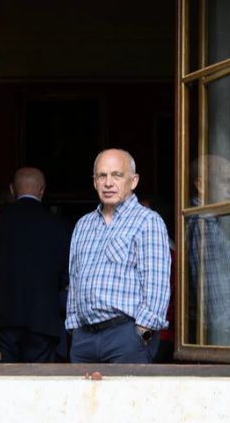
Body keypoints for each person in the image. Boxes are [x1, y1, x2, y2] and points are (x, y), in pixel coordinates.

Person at [66, 148, 171, 363]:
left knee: (127, 398)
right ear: (94, 182)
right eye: (102, 175)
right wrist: (75, 329)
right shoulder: (83, 225)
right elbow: (74, 281)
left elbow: (156, 284)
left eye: (117, 175)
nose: (108, 183)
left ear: (133, 181)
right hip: (84, 339)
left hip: (126, 337)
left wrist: (143, 335)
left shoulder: (148, 221)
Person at [0, 167, 70, 362]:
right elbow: (67, 275)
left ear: (12, 190)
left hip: (2, 319)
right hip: (43, 321)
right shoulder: (59, 225)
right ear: (42, 191)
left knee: (3, 384)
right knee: (40, 384)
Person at [185, 154, 230, 346]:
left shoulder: (208, 223)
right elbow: (216, 304)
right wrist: (227, 342)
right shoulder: (205, 226)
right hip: (219, 339)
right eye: (227, 182)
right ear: (201, 185)